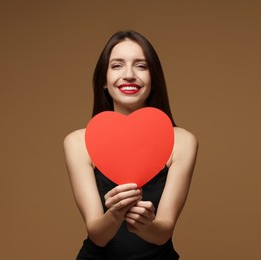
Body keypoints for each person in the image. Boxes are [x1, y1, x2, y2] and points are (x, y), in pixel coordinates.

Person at [64, 30, 198, 259]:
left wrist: (146, 225)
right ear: (103, 81)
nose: (128, 75)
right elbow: (97, 234)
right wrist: (114, 215)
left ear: (153, 78)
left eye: (141, 66)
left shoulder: (183, 141)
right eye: (117, 66)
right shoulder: (77, 142)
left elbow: (163, 232)